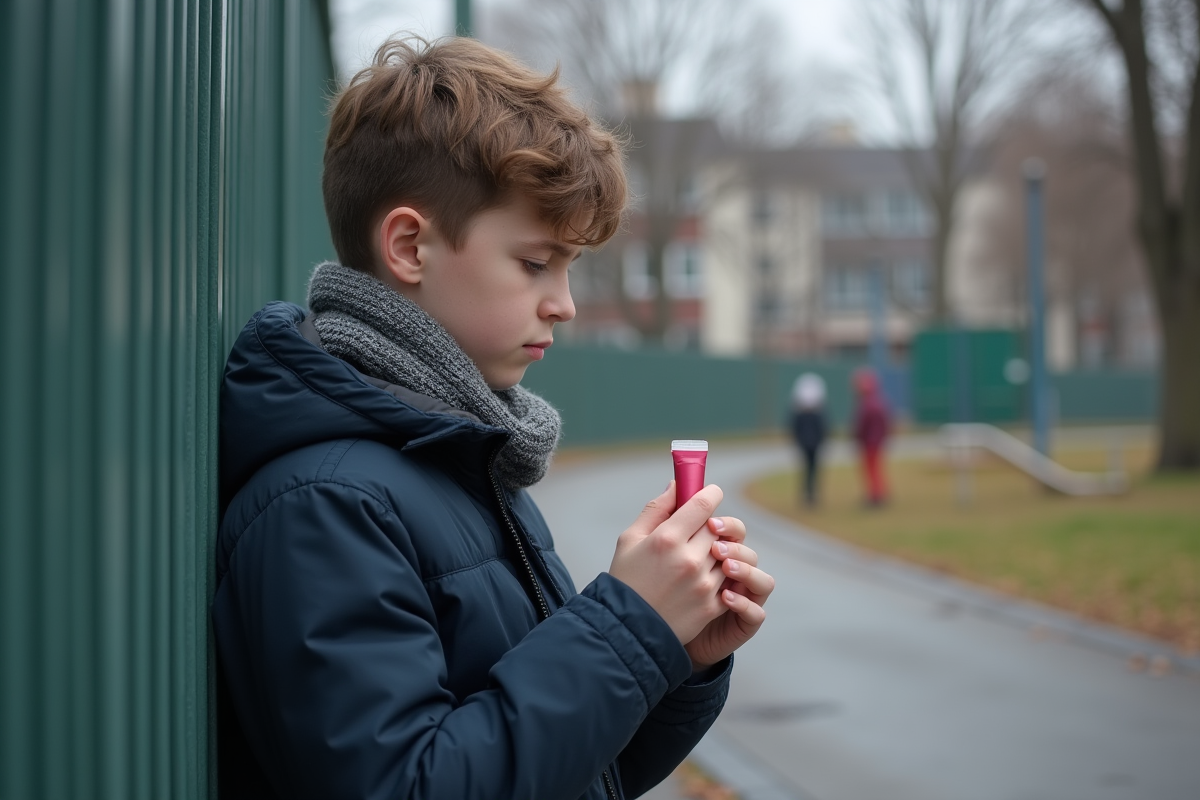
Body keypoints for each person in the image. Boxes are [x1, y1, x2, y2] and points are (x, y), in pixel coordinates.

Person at [211, 36, 774, 800]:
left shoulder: (465, 462)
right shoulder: (325, 504)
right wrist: (631, 625)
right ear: (410, 245)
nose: (565, 304)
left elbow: (575, 770)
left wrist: (679, 655)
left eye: (571, 269)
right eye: (536, 263)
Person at [852, 367, 891, 507]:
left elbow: (861, 426)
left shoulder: (867, 405)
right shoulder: (879, 403)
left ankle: (875, 495)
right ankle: (878, 493)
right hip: (877, 442)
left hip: (869, 443)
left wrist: (858, 438)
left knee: (871, 470)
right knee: (876, 469)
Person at [789, 372, 828, 507]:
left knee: (811, 470)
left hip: (811, 445)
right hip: (809, 445)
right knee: (809, 470)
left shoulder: (807, 414)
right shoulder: (808, 415)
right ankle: (808, 495)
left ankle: (810, 495)